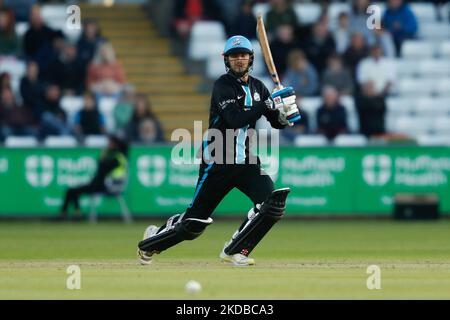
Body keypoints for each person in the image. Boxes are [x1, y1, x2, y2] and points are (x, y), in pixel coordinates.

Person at [137, 35, 301, 266]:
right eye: (234, 56)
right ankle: (152, 241)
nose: (239, 60)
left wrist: (285, 113)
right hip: (218, 160)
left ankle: (236, 250)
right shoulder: (222, 86)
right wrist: (267, 104)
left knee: (271, 204)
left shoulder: (258, 87)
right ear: (226, 60)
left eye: (243, 55)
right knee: (194, 223)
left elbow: (275, 121)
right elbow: (235, 119)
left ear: (251, 59)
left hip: (245, 160)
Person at [60, 134, 129, 219]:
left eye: (110, 143)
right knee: (73, 191)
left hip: (106, 186)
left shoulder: (115, 158)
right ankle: (76, 213)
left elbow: (102, 171)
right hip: (105, 184)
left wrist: (102, 158)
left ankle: (66, 214)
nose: (108, 144)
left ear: (115, 145)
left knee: (72, 191)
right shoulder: (120, 157)